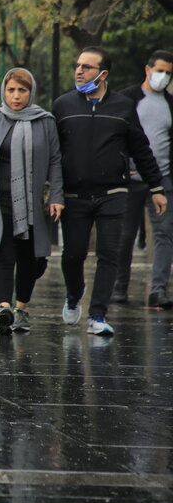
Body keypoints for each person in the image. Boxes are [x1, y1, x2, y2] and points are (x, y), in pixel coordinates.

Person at [52, 46, 167, 336]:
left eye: (86, 67)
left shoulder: (122, 106)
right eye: (77, 65)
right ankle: (74, 294)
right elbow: (53, 153)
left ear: (103, 74)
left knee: (109, 255)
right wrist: (53, 191)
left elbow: (141, 149)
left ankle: (97, 315)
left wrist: (156, 187)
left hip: (113, 193)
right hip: (74, 195)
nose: (79, 71)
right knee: (73, 255)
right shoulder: (63, 106)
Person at [0, 68, 65, 334]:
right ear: (4, 91)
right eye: (11, 90)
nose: (16, 96)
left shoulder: (45, 121)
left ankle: (21, 309)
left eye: (22, 90)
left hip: (35, 203)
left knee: (30, 259)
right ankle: (4, 309)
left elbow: (55, 160)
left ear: (30, 92)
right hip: (1, 203)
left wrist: (56, 195)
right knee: (4, 256)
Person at [113, 50, 173, 309]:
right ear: (147, 70)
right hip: (130, 179)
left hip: (163, 179)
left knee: (164, 234)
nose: (164, 76)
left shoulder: (171, 104)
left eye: (169, 73)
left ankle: (158, 290)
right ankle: (119, 288)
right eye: (160, 70)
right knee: (124, 235)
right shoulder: (127, 99)